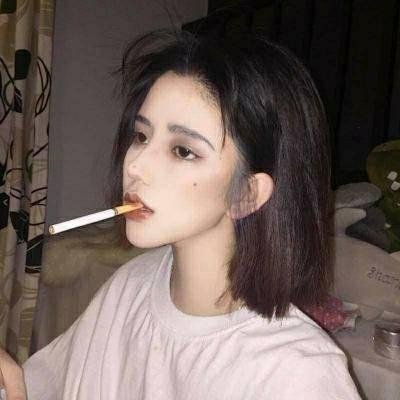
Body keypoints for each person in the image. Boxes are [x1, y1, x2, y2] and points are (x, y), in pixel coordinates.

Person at [0, 28, 362, 399]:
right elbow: (33, 387)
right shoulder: (132, 285)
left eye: (183, 151)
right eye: (141, 136)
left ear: (246, 195)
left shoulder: (298, 377)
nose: (135, 165)